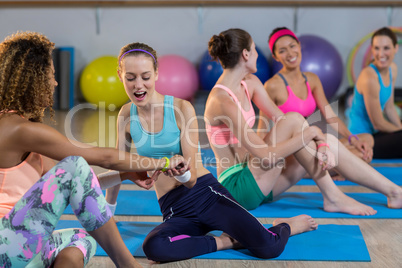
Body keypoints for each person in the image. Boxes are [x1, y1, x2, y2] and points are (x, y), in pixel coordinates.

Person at [105, 42, 318, 263]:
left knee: (269, 247)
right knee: (155, 247)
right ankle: (227, 241)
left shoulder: (180, 109)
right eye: (130, 78)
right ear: (120, 75)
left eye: (145, 76)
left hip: (205, 195)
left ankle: (287, 226)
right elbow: (120, 165)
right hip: (173, 208)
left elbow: (190, 179)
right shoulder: (126, 115)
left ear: (157, 73)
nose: (138, 85)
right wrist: (108, 212)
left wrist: (173, 167)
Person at [0, 31, 187, 268]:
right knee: (76, 164)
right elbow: (102, 157)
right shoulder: (18, 129)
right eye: (51, 75)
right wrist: (163, 162)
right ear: (33, 80)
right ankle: (129, 265)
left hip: (18, 244)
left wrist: (125, 175)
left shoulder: (23, 131)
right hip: (5, 245)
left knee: (82, 239)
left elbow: (79, 187)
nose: (55, 83)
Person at [203, 28, 402, 215]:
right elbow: (266, 156)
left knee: (323, 141)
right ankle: (333, 197)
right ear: (246, 54)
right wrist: (311, 134)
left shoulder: (251, 83)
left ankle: (394, 191)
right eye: (254, 50)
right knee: (298, 124)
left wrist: (320, 142)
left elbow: (281, 120)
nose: (257, 55)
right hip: (238, 188)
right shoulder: (221, 100)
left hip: (262, 180)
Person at [262, 27, 374, 166]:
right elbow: (262, 127)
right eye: (282, 50)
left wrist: (353, 139)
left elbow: (331, 116)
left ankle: (341, 166)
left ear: (299, 45)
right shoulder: (272, 86)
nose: (290, 53)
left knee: (366, 139)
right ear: (275, 57)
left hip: (311, 143)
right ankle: (341, 167)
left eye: (292, 46)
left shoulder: (312, 79)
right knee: (357, 155)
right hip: (290, 151)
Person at [348, 26, 402, 159]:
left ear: (396, 48)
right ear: (372, 49)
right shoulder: (369, 77)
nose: (380, 54)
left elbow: (389, 108)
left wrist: (400, 129)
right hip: (361, 140)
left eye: (386, 48)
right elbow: (378, 123)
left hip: (376, 133)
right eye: (376, 48)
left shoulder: (392, 69)